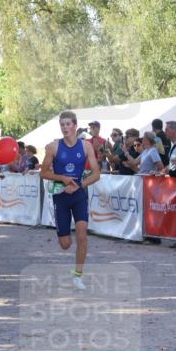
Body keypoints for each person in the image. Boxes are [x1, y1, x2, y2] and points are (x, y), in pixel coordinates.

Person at [41, 110, 101, 290]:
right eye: (62, 125)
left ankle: (78, 276)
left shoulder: (86, 146)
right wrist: (62, 179)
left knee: (82, 236)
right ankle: (67, 240)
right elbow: (43, 173)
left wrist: (79, 185)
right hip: (61, 196)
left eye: (68, 124)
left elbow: (97, 174)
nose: (65, 128)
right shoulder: (53, 147)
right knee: (66, 244)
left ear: (75, 125)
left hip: (79, 194)